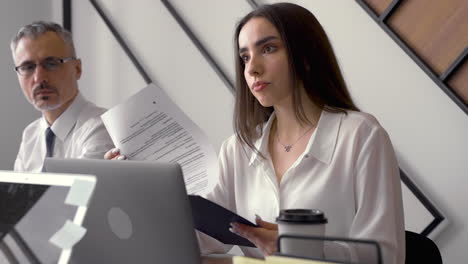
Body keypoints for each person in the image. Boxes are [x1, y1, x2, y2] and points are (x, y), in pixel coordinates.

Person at [106, 3, 404, 263]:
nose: (252, 69)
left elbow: (385, 256)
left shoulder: (361, 135)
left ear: (306, 56)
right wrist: (135, 189)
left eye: (268, 48)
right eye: (245, 57)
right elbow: (193, 240)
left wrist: (297, 247)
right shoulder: (238, 149)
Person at [11, 21, 114, 172]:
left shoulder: (104, 128)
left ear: (77, 69)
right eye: (28, 67)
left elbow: (74, 195)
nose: (39, 78)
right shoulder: (30, 134)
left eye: (51, 63)